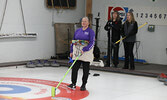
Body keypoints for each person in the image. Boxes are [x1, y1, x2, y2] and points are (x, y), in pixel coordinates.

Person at [67, 17, 95, 91]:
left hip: (86, 52)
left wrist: (85, 49)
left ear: (88, 23)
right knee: (74, 68)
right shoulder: (77, 31)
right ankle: (73, 83)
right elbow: (73, 41)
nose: (83, 23)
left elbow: (92, 43)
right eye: (82, 21)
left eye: (85, 21)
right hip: (77, 52)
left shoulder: (91, 32)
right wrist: (71, 51)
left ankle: (83, 84)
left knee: (85, 70)